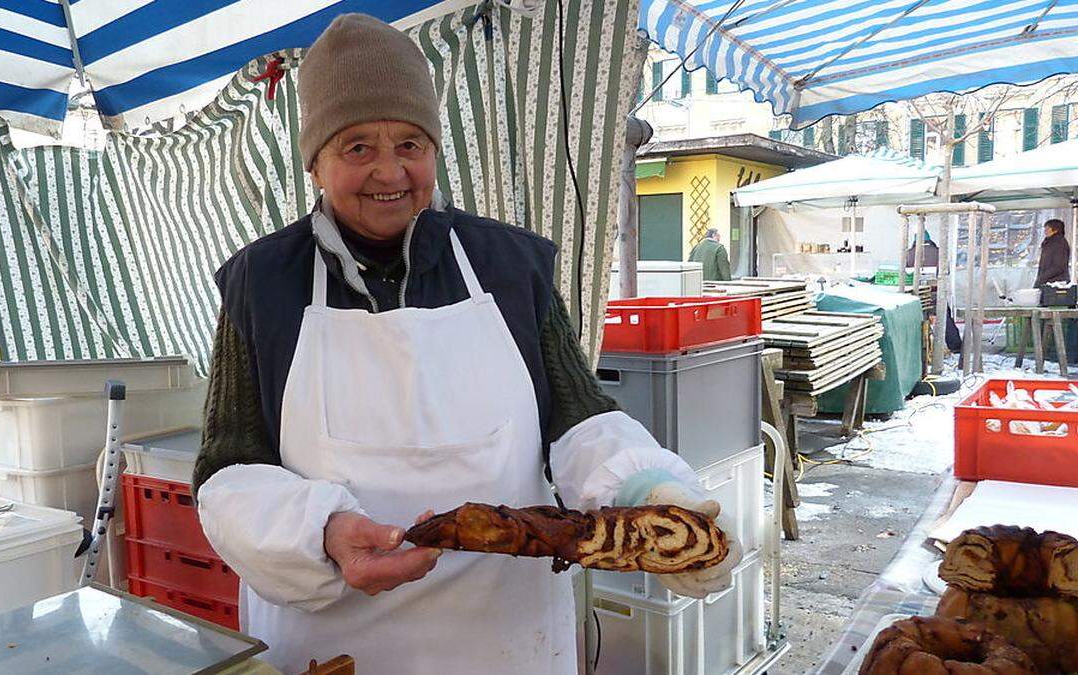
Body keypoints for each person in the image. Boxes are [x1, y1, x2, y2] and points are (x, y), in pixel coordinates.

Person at [192, 14, 740, 675]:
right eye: (357, 146)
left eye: (411, 144)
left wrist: (649, 488)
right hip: (332, 646)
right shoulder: (262, 282)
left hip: (506, 643)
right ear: (315, 162)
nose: (389, 171)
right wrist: (323, 531)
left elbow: (577, 418)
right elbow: (228, 470)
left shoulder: (511, 266)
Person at [1034, 218, 1071, 288]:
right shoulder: (1049, 243)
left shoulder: (1059, 243)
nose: (1045, 231)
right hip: (1047, 281)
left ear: (1055, 230)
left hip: (1056, 283)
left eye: (1048, 229)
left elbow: (1058, 266)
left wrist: (1042, 278)